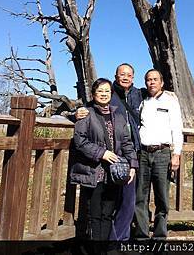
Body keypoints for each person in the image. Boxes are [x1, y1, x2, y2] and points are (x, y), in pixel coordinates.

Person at [74, 63, 144, 240]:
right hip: (95, 170)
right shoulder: (87, 113)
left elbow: (126, 142)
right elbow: (80, 140)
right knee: (95, 214)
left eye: (107, 92)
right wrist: (102, 153)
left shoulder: (118, 115)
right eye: (100, 91)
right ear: (94, 94)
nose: (104, 94)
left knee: (108, 212)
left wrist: (132, 166)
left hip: (114, 171)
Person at [134, 69, 183, 239]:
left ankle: (160, 235)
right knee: (140, 196)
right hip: (143, 154)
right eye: (148, 80)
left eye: (155, 79)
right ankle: (141, 234)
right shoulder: (143, 102)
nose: (151, 82)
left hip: (163, 153)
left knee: (162, 196)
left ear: (162, 82)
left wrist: (176, 154)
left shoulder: (171, 101)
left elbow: (177, 128)